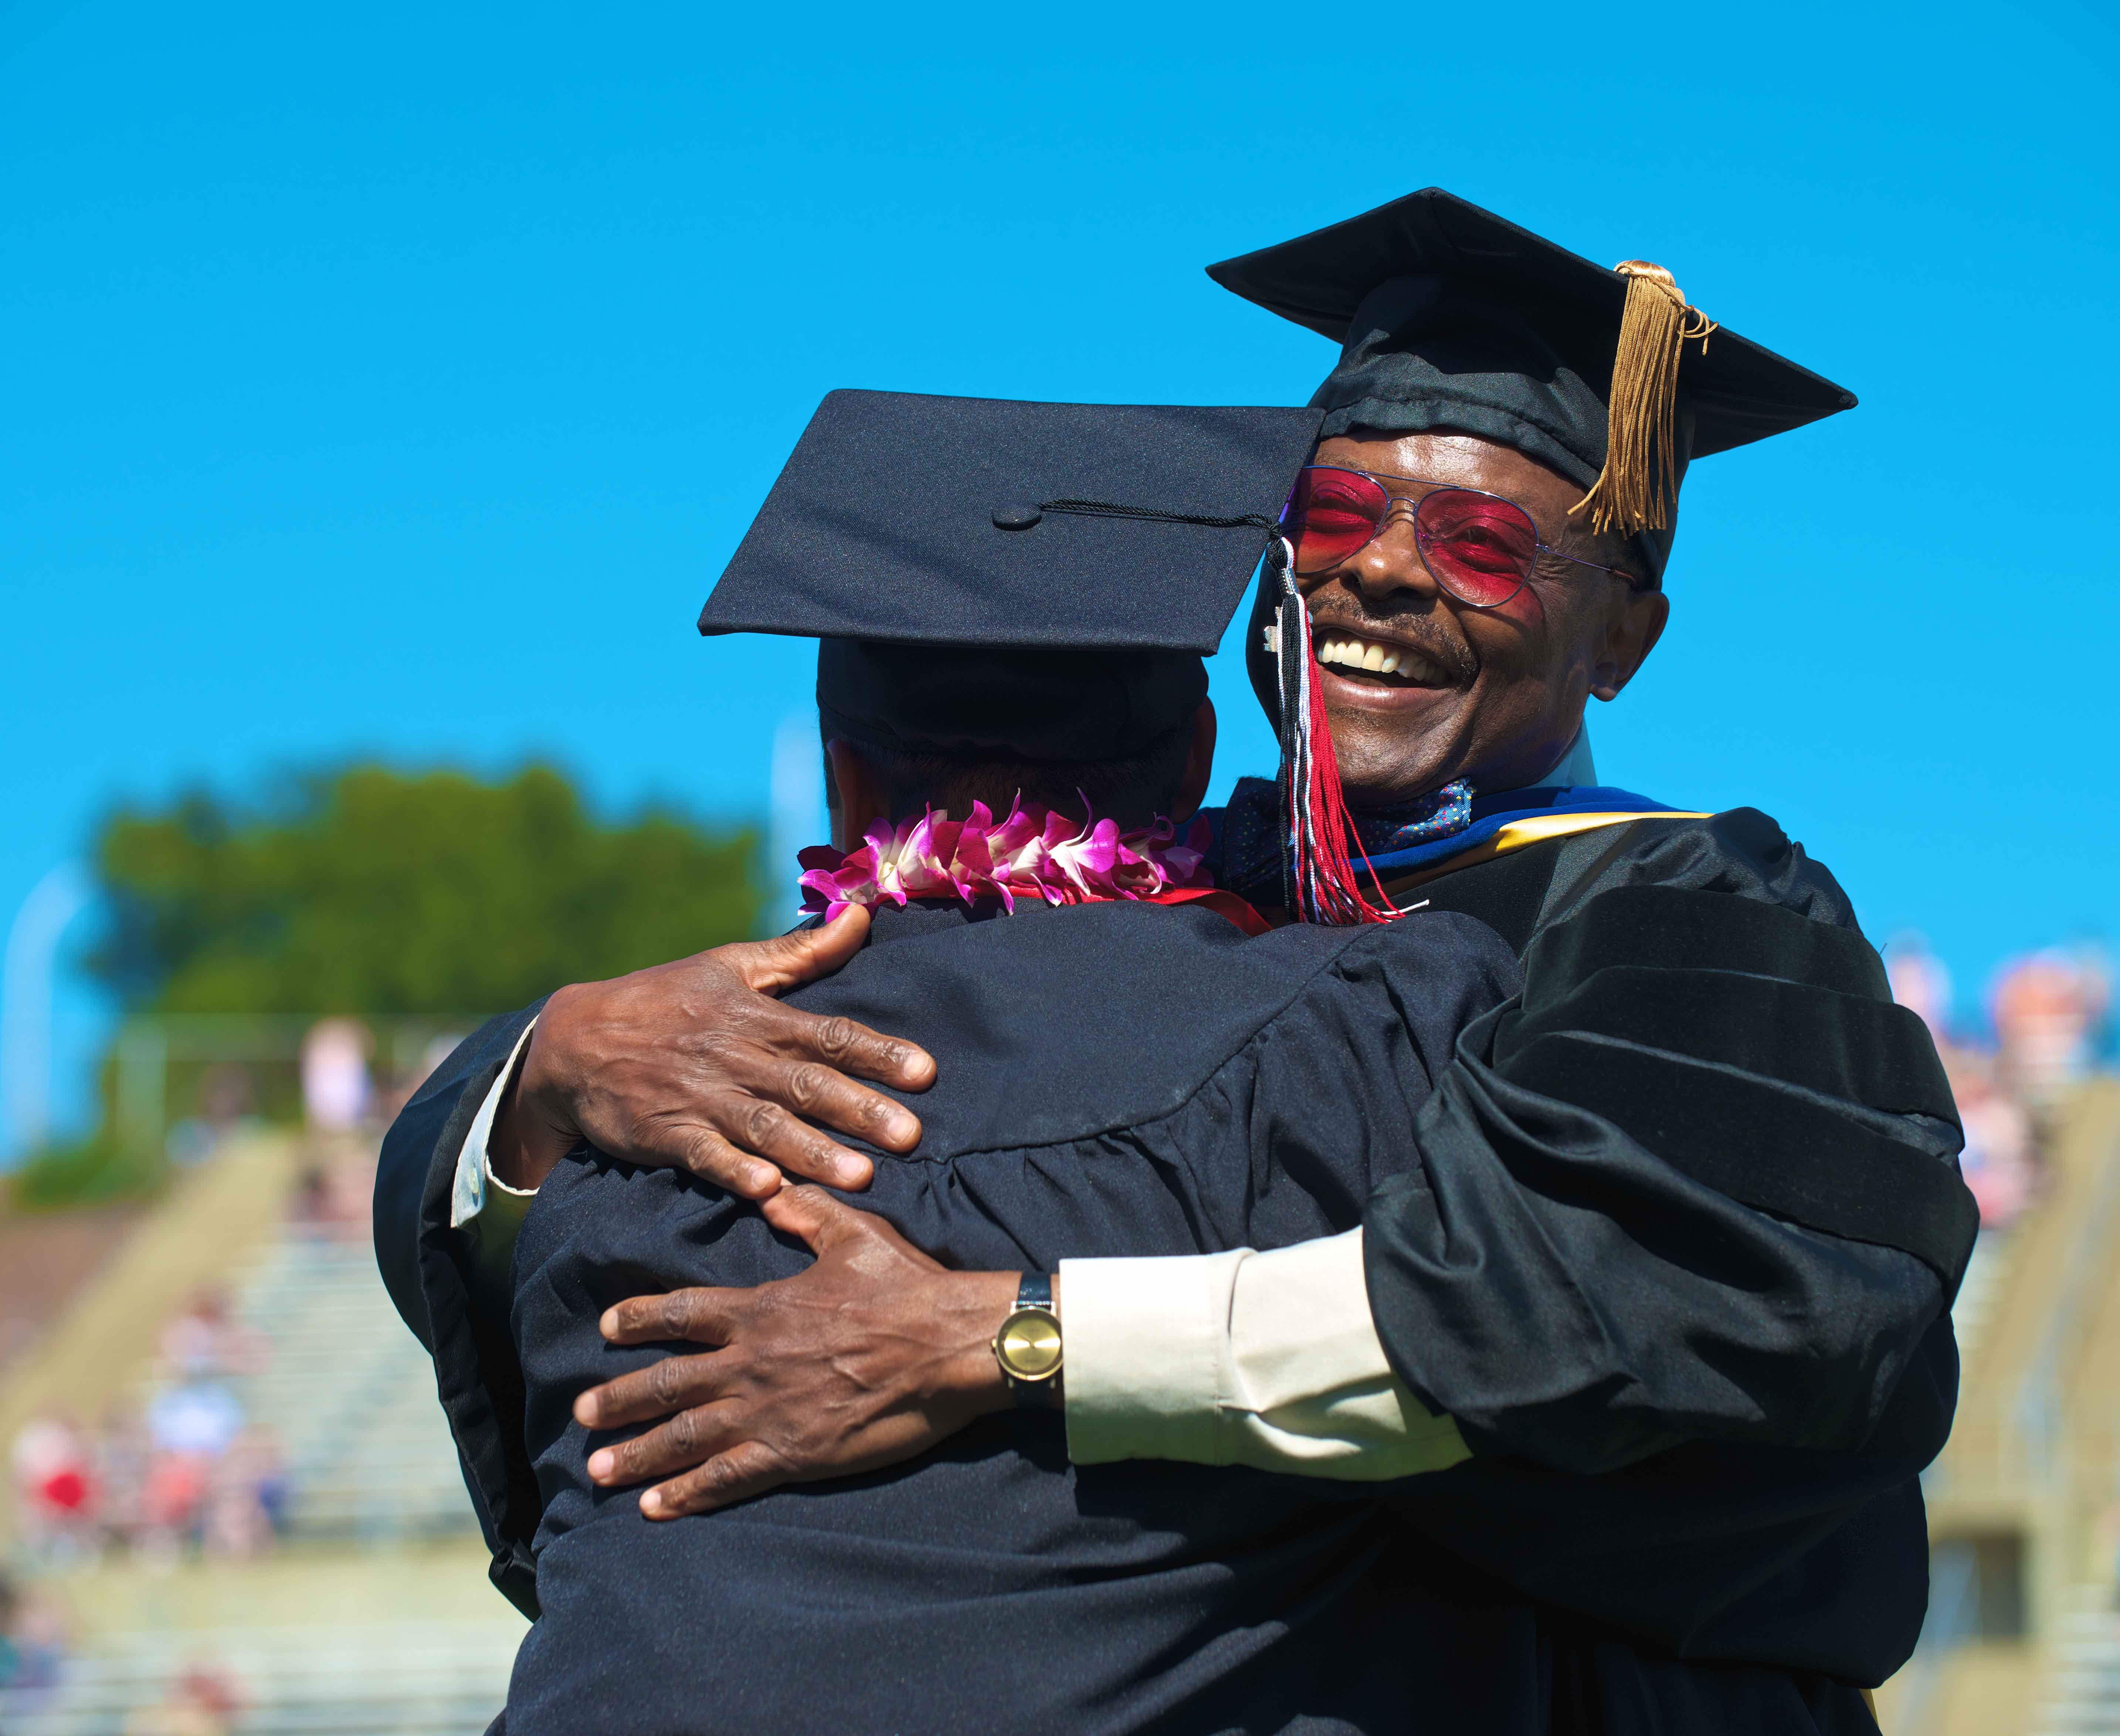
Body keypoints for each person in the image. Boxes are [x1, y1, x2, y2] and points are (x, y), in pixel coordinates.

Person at [377, 193, 1975, 1724]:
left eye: (1484, 543)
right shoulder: (1148, 902)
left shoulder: (1689, 910)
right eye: (1335, 515)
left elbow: (1664, 1316)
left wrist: (1006, 1335)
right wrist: (553, 1068)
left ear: (1622, 635)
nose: (1385, 570)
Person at [389, 391, 1582, 1732]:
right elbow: (1539, 1356)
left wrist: (549, 1053)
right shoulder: (1355, 1039)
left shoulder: (619, 1125)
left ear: (842, 781)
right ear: (1195, 757)